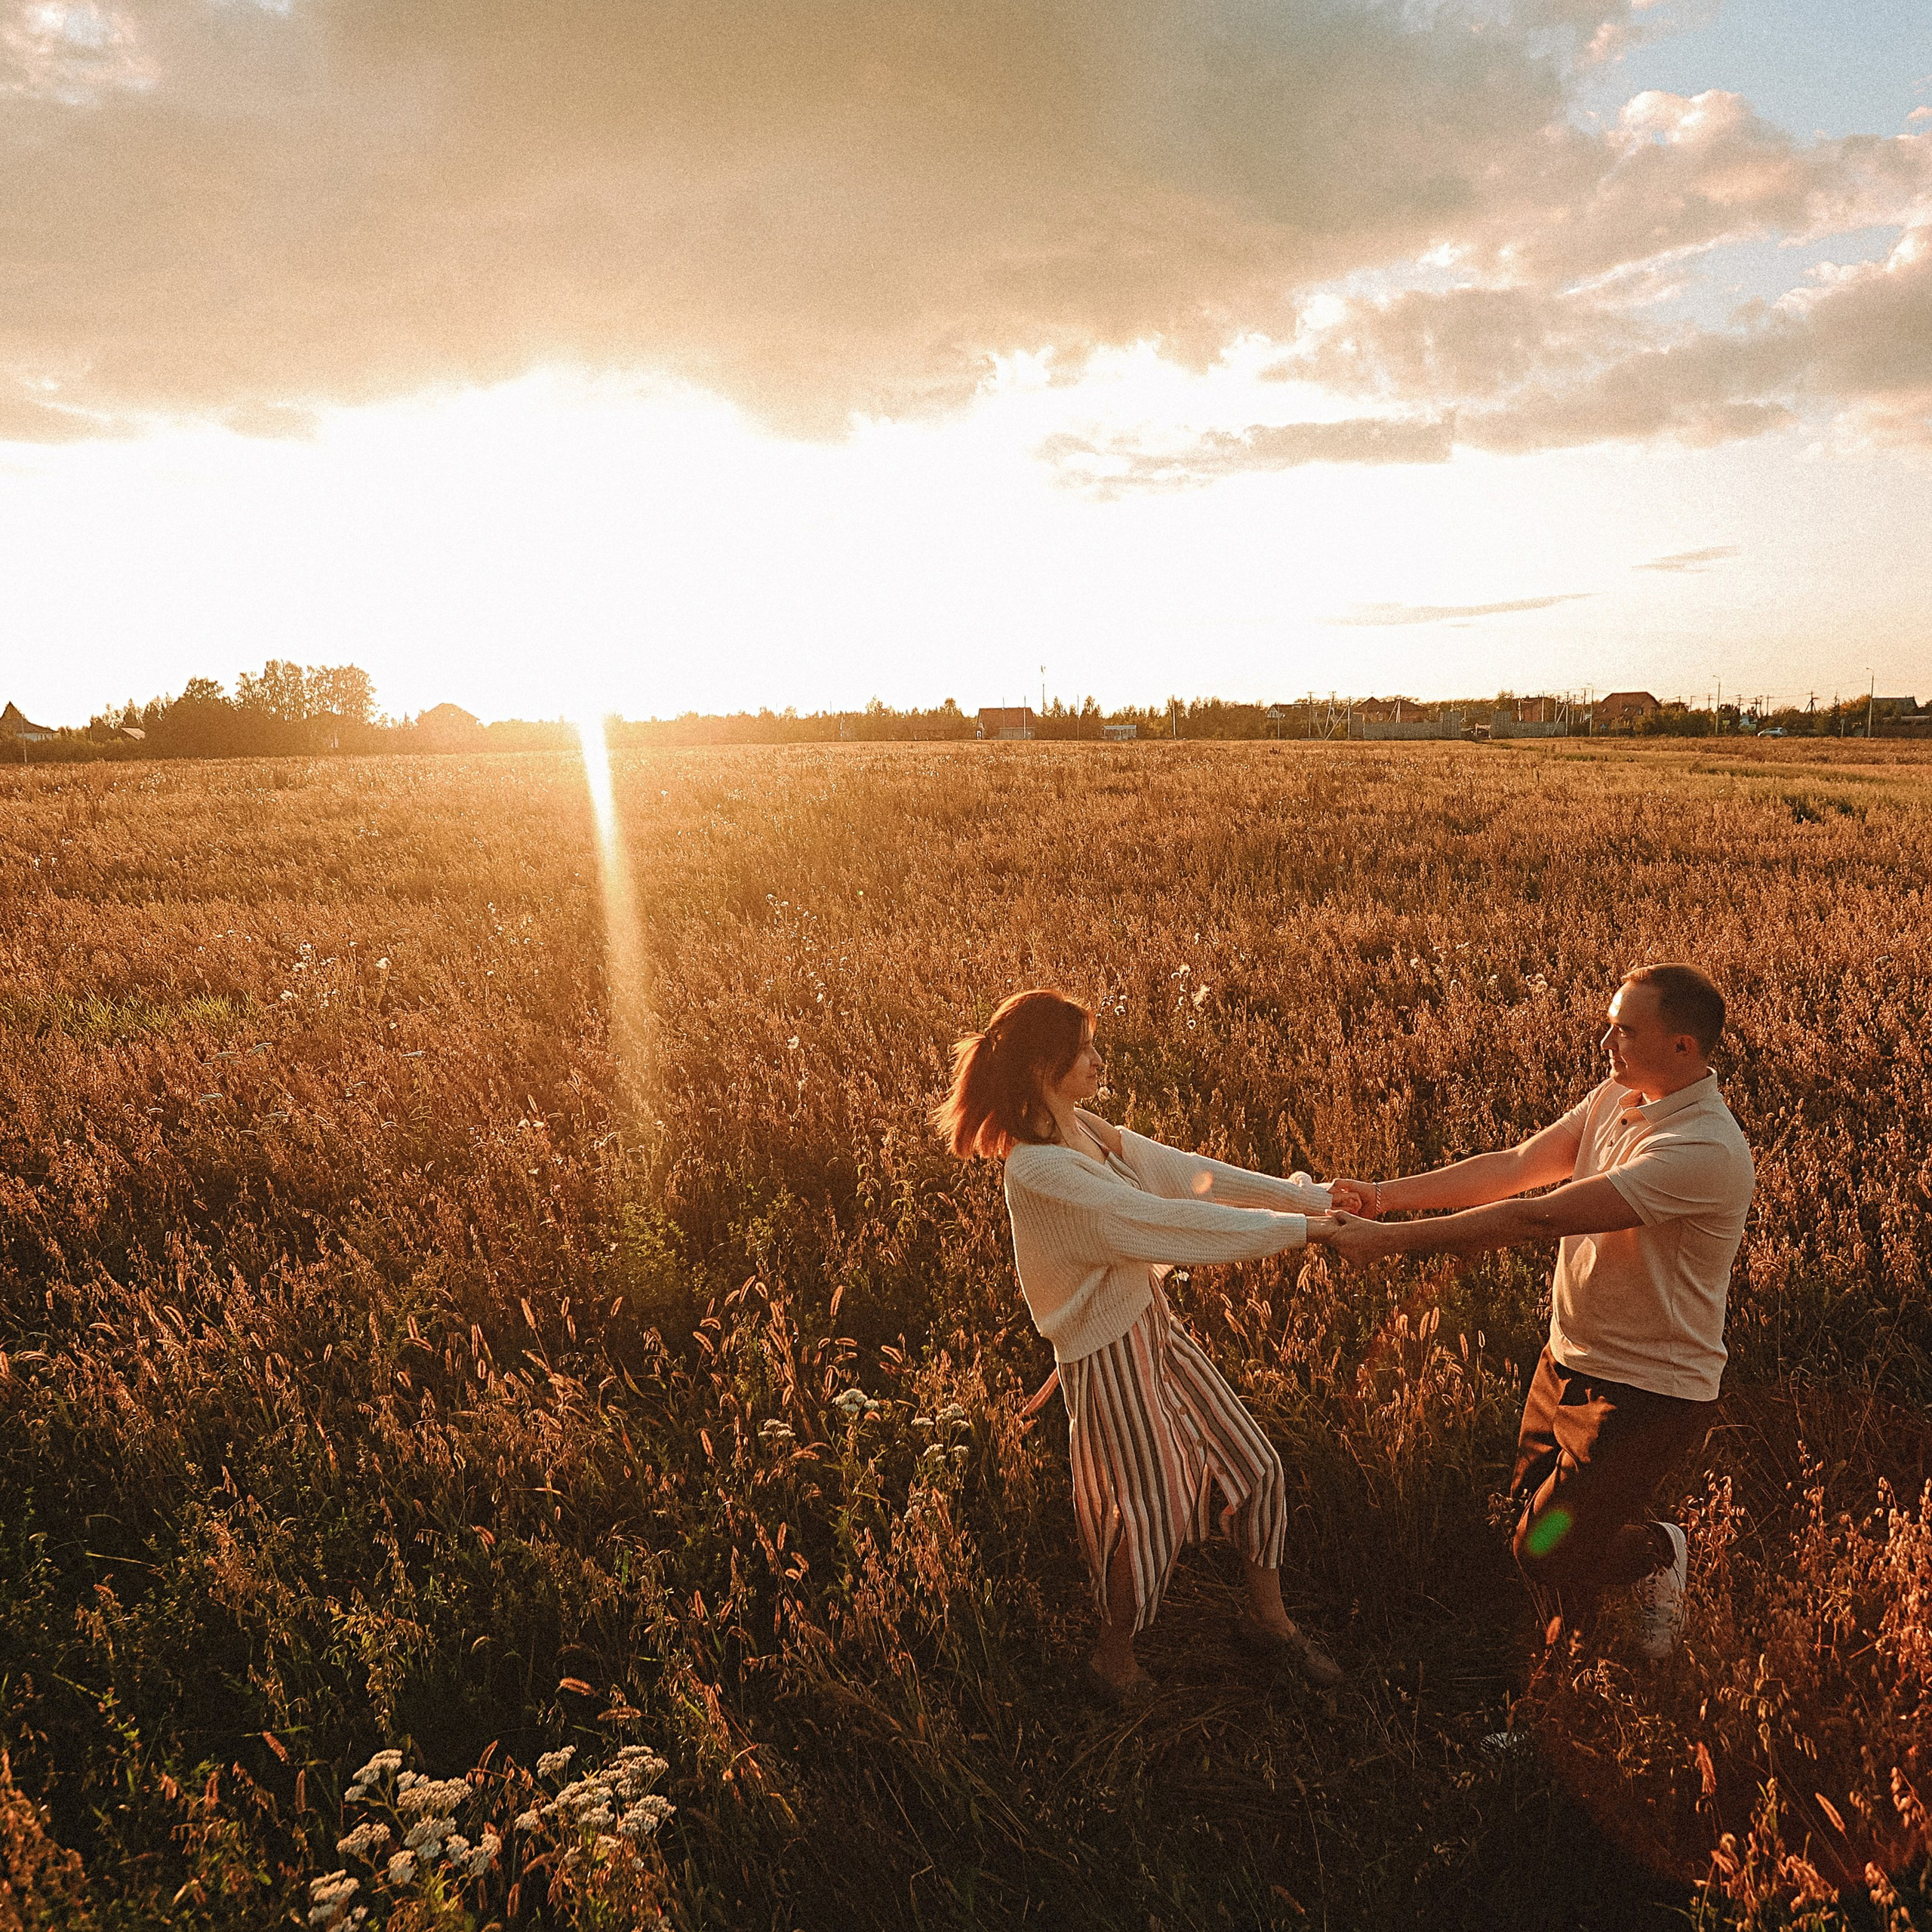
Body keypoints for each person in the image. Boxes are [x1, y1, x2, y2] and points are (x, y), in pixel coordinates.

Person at [1323, 962, 1754, 1657]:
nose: (1605, 1042)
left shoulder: (1703, 1149)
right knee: (1539, 1530)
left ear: (1684, 1046)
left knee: (1545, 1548)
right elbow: (1518, 1165)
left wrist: (1390, 1244)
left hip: (1648, 1391)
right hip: (1566, 1360)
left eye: (1625, 1028)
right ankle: (1581, 1647)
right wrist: (1380, 1195)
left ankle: (1653, 1558)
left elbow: (1536, 1217)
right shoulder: (1618, 1096)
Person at [935, 988, 1343, 1704]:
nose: (1098, 1060)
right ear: (1041, 1068)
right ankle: (1113, 1662)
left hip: (1151, 1326)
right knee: (1155, 1517)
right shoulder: (1039, 1170)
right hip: (1105, 1355)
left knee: (1257, 1465)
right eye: (1083, 1050)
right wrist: (1305, 1234)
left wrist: (1313, 1199)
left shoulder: (1077, 1129)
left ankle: (1269, 1622)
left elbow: (1183, 1173)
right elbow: (1161, 1220)